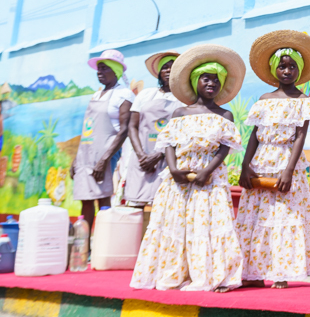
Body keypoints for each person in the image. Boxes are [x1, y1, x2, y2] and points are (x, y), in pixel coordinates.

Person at [130, 45, 246, 292]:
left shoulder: (224, 115)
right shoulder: (180, 112)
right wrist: (173, 169)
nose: (211, 83)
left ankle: (213, 275)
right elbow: (169, 142)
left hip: (209, 181)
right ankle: (174, 273)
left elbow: (225, 148)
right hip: (178, 181)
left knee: (209, 226)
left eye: (217, 79)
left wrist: (207, 171)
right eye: (206, 78)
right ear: (195, 82)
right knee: (176, 225)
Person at [236, 31, 310, 288]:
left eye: (292, 66)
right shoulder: (264, 100)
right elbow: (255, 136)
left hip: (287, 162)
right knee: (257, 217)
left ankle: (282, 271)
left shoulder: (303, 102)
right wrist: (245, 166)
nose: (287, 71)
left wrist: (288, 169)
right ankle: (253, 272)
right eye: (282, 66)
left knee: (285, 216)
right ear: (274, 70)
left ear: (299, 71)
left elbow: (299, 137)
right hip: (261, 161)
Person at [72, 49, 134, 231]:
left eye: (104, 68)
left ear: (116, 71)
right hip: (85, 155)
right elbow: (87, 131)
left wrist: (104, 159)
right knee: (86, 199)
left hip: (104, 155)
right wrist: (76, 159)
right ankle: (84, 245)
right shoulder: (96, 95)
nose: (99, 72)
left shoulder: (124, 95)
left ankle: (102, 241)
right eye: (98, 69)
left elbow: (124, 131)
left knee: (102, 197)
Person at [125, 51, 181, 207]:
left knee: (162, 206)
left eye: (173, 67)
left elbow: (183, 133)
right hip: (141, 160)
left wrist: (159, 154)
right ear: (158, 72)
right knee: (137, 206)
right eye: (165, 67)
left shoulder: (185, 99)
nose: (169, 70)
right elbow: (132, 126)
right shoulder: (146, 95)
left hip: (168, 160)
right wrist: (141, 156)